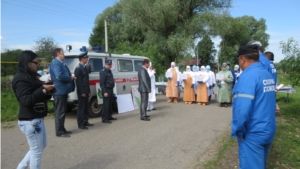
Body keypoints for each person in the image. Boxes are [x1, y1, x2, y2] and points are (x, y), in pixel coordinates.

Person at [232, 44, 276, 169]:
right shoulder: (266, 74)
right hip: (268, 129)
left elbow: (242, 109)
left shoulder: (247, 77)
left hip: (253, 133)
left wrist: (239, 131)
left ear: (242, 59)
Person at [12, 50, 55, 169]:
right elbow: (26, 100)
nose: (37, 65)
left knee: (40, 146)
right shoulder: (21, 78)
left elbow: (37, 94)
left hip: (36, 118)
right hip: (30, 120)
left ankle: (21, 167)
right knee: (36, 151)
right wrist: (43, 89)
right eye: (35, 63)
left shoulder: (31, 76)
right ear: (28, 63)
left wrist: (48, 91)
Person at [50, 48, 75, 137]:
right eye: (62, 53)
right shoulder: (55, 63)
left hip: (62, 91)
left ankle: (62, 129)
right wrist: (70, 78)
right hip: (59, 91)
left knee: (62, 111)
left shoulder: (59, 63)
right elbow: (59, 76)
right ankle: (59, 132)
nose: (64, 55)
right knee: (60, 112)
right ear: (58, 54)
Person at [74, 52, 93, 129]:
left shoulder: (85, 67)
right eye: (86, 58)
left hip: (86, 91)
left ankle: (85, 121)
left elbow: (86, 81)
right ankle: (80, 123)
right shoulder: (78, 68)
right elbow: (78, 82)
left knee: (86, 107)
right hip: (82, 92)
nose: (87, 59)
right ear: (82, 59)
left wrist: (88, 91)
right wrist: (82, 92)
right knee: (81, 108)